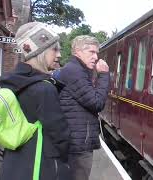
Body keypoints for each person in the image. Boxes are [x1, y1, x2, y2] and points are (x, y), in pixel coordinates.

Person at [0, 22, 71, 180]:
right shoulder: (44, 89)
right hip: (40, 166)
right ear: (39, 52)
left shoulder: (12, 82)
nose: (59, 55)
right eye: (54, 49)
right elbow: (60, 136)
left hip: (13, 164)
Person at [58, 35, 110, 180]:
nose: (96, 57)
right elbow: (96, 102)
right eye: (91, 52)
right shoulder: (74, 71)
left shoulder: (77, 70)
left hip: (78, 140)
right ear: (77, 51)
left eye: (97, 53)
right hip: (77, 145)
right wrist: (104, 75)